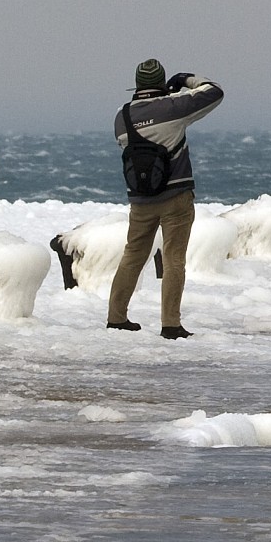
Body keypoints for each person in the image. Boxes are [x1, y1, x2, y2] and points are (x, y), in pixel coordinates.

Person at [106, 59, 224, 339]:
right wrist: (185, 80)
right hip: (176, 197)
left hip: (140, 200)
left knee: (132, 256)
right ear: (161, 83)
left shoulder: (122, 116)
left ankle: (116, 317)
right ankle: (170, 324)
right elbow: (214, 92)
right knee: (173, 259)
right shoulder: (172, 107)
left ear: (137, 84)